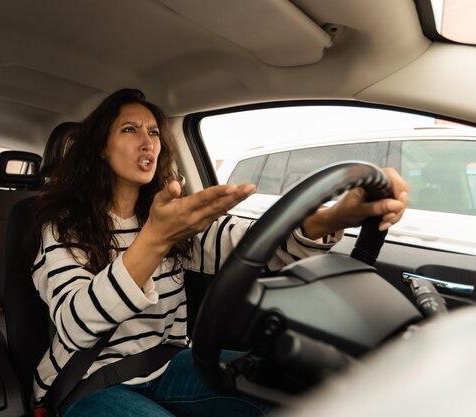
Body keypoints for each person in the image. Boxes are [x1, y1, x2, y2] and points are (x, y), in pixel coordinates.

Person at [28, 88, 410, 417]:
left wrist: (333, 217)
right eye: (130, 130)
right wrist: (154, 240)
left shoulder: (173, 215)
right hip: (91, 383)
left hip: (168, 364)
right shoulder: (64, 226)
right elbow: (75, 326)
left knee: (293, 392)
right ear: (99, 148)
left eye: (154, 132)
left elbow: (255, 245)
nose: (148, 142)